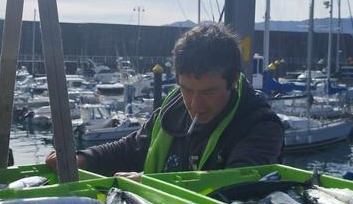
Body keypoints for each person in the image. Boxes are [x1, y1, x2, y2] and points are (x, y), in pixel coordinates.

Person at [45, 23, 284, 178]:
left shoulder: (260, 125)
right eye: (187, 90)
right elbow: (135, 147)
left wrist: (150, 184)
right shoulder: (174, 106)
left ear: (233, 80)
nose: (195, 104)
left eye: (209, 92)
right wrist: (85, 158)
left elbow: (239, 181)